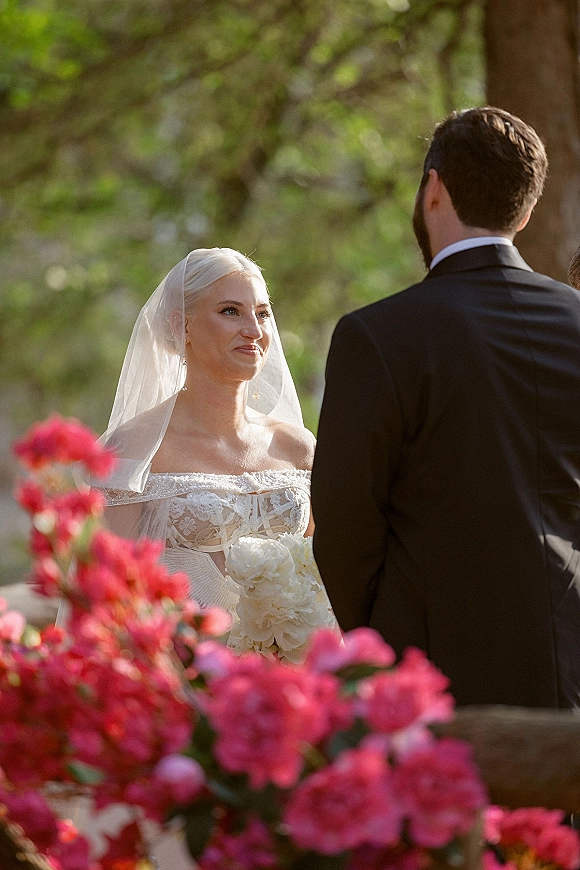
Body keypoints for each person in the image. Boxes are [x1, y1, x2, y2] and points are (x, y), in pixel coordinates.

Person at [311, 106, 580, 709]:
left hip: (429, 678)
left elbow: (344, 524)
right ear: (526, 211)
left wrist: (385, 639)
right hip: (569, 668)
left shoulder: (378, 334)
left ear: (433, 187)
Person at [99, 247, 317, 615]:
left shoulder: (296, 446)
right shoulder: (135, 447)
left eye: (262, 314)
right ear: (180, 325)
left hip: (294, 663)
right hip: (187, 664)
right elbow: (109, 592)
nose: (254, 330)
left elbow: (320, 572)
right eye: (230, 311)